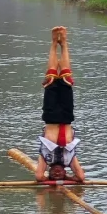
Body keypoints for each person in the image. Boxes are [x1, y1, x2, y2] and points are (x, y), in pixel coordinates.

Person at [35, 26, 86, 184]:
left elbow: (39, 176)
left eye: (54, 175)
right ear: (65, 172)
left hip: (50, 117)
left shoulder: (45, 158)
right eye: (60, 174)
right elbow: (81, 178)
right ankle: (63, 42)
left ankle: (53, 43)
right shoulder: (70, 159)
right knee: (65, 78)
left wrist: (52, 182)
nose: (57, 173)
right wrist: (67, 179)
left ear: (49, 172)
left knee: (51, 77)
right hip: (66, 116)